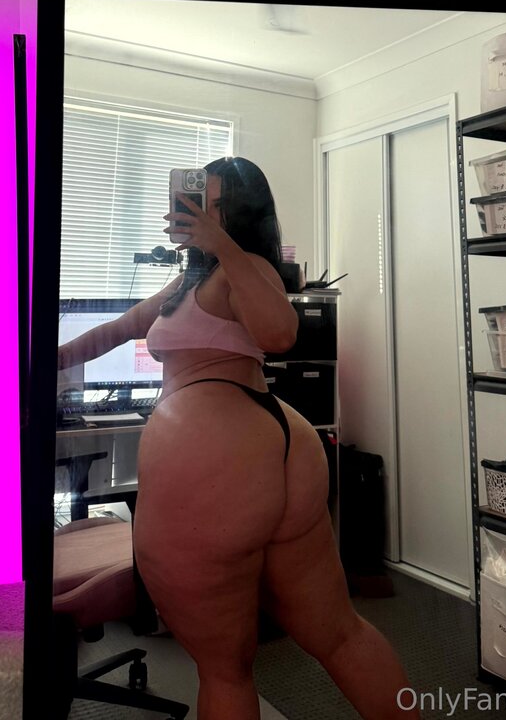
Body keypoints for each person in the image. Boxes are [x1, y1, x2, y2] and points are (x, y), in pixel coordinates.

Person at [58, 156, 420, 720]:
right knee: (338, 633)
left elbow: (281, 332)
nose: (198, 213)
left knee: (226, 668)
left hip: (221, 450)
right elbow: (118, 329)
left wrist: (221, 244)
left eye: (213, 204)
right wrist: (37, 362)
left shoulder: (245, 267)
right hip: (272, 442)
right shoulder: (191, 282)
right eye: (195, 202)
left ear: (239, 214)